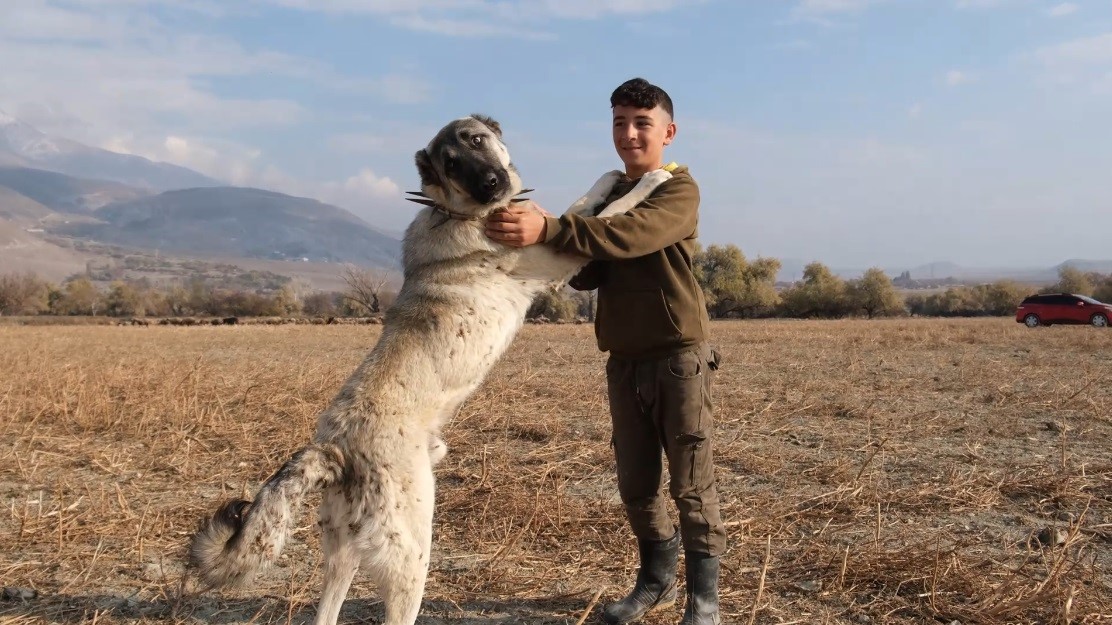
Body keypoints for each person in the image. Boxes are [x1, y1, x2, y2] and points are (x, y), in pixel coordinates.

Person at [485, 77, 724, 625]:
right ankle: (655, 581)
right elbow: (587, 273)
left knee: (691, 483)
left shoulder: (677, 192)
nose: (629, 133)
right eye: (620, 122)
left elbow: (631, 237)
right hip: (624, 360)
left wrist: (552, 227)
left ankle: (704, 603)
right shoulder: (608, 196)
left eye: (642, 123)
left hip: (677, 357)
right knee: (636, 484)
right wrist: (542, 242)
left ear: (669, 131)